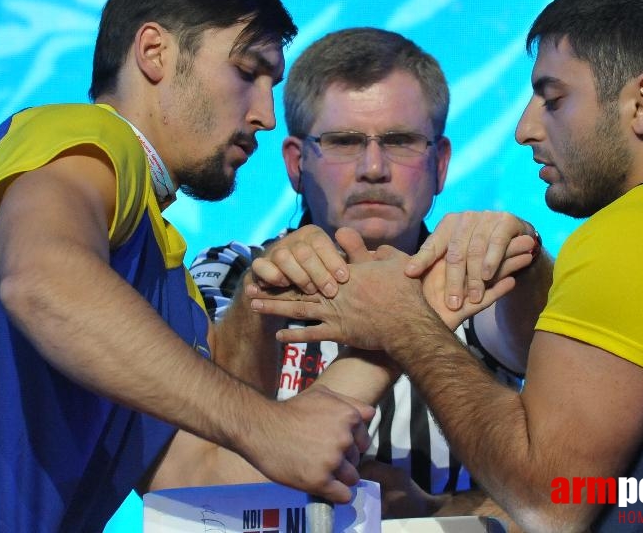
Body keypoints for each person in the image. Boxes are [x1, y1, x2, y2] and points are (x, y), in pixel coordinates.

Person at [248, 0, 643, 531]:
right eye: (343, 142)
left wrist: (405, 325)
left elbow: (553, 504)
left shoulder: (636, 234)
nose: (524, 128)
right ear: (295, 160)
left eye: (553, 99)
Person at [0, 0, 376, 531]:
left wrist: (391, 337)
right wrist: (267, 427)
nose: (266, 116)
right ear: (154, 53)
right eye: (248, 72)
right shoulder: (87, 134)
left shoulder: (168, 287)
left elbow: (197, 481)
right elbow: (41, 282)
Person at [150, 27, 552, 520]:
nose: (374, 168)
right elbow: (197, 467)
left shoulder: (476, 278)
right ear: (297, 164)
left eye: (401, 141)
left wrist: (526, 255)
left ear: (440, 163)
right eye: (343, 142)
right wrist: (261, 301)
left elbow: (535, 335)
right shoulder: (228, 271)